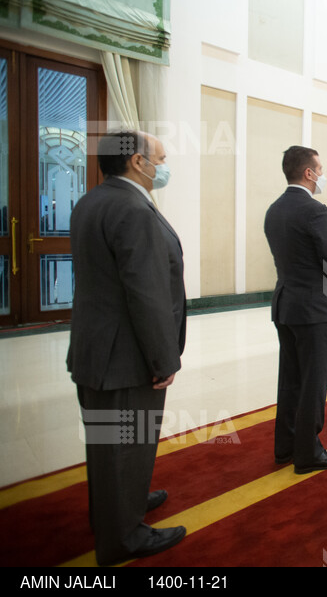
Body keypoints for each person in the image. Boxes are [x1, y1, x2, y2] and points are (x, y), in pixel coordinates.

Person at [67, 130, 187, 566]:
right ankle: (123, 538)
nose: (164, 164)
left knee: (105, 443)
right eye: (160, 157)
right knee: (128, 442)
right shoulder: (134, 209)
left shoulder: (92, 201)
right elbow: (147, 292)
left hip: (94, 348)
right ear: (138, 162)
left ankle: (116, 508)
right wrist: (164, 358)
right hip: (127, 355)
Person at [264, 146, 327, 474]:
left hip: (285, 304)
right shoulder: (314, 211)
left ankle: (285, 446)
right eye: (320, 169)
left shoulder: (274, 210)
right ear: (309, 173)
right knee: (313, 381)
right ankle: (308, 451)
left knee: (290, 379)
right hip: (313, 310)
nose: (323, 175)